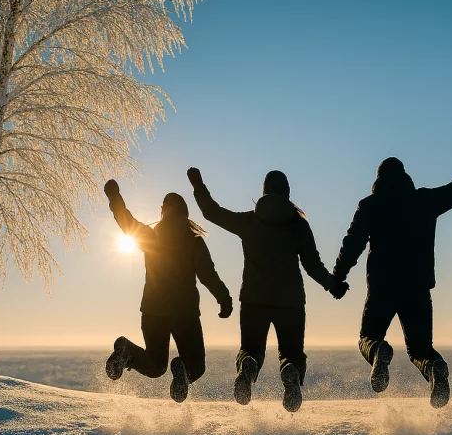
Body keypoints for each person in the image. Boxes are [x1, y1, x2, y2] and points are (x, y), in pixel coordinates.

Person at [332, 136, 452, 408]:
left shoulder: (370, 205)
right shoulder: (426, 200)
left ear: (378, 179)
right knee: (420, 350)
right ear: (405, 177)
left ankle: (379, 351)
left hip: (382, 288)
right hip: (417, 289)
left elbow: (352, 243)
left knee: (368, 338)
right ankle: (435, 368)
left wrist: (338, 276)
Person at [186, 167, 348, 412]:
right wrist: (333, 285)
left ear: (264, 192)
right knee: (291, 353)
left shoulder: (249, 222)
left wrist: (198, 185)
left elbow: (212, 213)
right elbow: (312, 265)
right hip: (291, 302)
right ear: (287, 193)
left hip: (254, 299)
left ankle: (249, 366)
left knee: (251, 349)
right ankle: (290, 371)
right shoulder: (298, 225)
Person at [103, 179, 233, 403]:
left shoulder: (150, 236)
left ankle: (127, 352)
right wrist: (224, 298)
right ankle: (183, 368)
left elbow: (126, 222)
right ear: (185, 213)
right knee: (196, 366)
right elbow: (207, 274)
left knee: (155, 365)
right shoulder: (193, 241)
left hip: (153, 311)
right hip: (185, 314)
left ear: (162, 212)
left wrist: (114, 197)